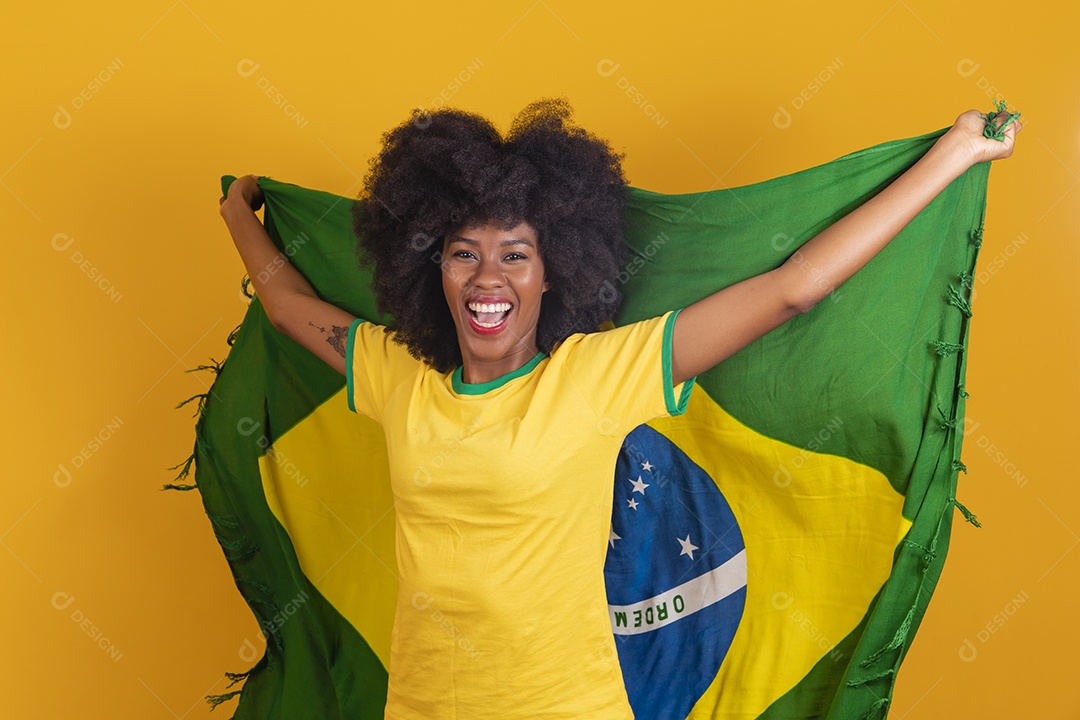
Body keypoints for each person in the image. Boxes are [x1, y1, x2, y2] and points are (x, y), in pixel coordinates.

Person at [219, 98, 1020, 719]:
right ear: (430, 268)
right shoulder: (396, 373)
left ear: (553, 271)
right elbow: (289, 306)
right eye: (465, 253)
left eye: (516, 255)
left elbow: (791, 289)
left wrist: (953, 155)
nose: (488, 278)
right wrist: (237, 220)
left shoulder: (598, 374)